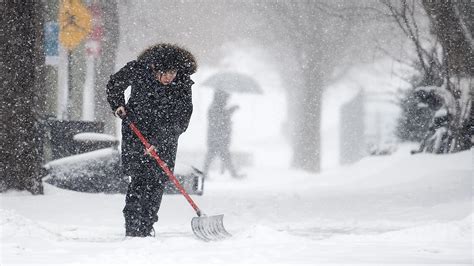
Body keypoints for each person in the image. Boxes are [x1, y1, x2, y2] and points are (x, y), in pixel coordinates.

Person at [106, 43, 197, 237]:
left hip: (166, 138)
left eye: (172, 73)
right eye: (164, 73)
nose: (168, 78)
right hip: (135, 133)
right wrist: (118, 104)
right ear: (154, 68)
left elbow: (182, 118)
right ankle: (132, 227)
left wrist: (159, 140)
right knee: (138, 180)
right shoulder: (138, 70)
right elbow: (114, 84)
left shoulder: (182, 84)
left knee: (156, 182)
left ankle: (146, 226)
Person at [202, 90, 244, 179]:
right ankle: (233, 174)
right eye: (226, 98)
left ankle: (205, 174)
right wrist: (230, 111)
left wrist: (229, 112)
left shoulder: (217, 107)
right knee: (220, 155)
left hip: (218, 137)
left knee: (219, 156)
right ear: (221, 98)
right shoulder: (215, 107)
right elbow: (219, 121)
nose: (226, 101)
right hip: (217, 138)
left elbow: (222, 118)